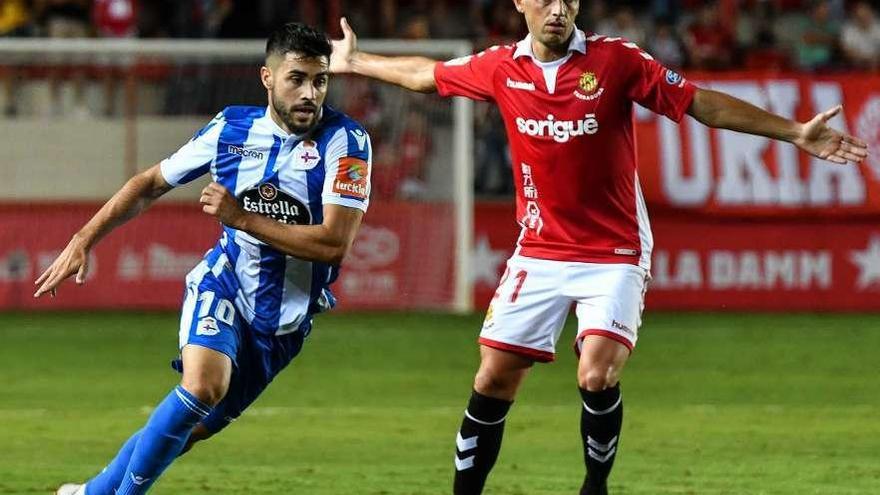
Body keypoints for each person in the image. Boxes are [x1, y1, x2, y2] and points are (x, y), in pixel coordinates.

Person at [328, 1, 869, 494]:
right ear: (520, 3)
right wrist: (358, 62)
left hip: (615, 249)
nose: (557, 9)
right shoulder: (500, 67)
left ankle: (595, 486)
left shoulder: (616, 61)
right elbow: (429, 76)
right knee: (493, 376)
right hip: (539, 247)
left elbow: (700, 103)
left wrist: (794, 132)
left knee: (596, 371)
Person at [36, 22, 373, 495]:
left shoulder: (348, 143)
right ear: (267, 78)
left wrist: (241, 217)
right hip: (226, 284)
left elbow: (333, 244)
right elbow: (150, 183)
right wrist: (84, 238)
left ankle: (90, 492)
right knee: (201, 388)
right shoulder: (231, 128)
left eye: (320, 81)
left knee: (188, 431)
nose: (309, 93)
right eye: (296, 78)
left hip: (283, 323)